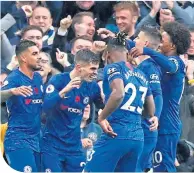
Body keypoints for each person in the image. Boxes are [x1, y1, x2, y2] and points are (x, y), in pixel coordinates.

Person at [84, 35, 158, 172]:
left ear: (106, 54)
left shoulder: (113, 68)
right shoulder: (142, 75)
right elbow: (150, 110)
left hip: (115, 133)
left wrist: (102, 117)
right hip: (137, 138)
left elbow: (118, 93)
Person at [128, 21, 191, 172]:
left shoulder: (177, 62)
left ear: (173, 46)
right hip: (153, 122)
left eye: (163, 40)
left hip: (167, 125)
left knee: (164, 167)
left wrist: (147, 51)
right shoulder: (156, 62)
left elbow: (169, 66)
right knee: (148, 166)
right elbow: (138, 47)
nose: (160, 43)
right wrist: (117, 37)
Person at [41, 49, 103, 172]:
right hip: (52, 145)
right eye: (92, 69)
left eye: (96, 69)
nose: (96, 73)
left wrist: (106, 94)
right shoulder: (58, 80)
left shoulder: (92, 86)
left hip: (75, 148)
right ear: (79, 67)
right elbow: (45, 107)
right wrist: (64, 91)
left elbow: (104, 107)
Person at [0, 40, 43, 172]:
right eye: (35, 53)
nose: (40, 56)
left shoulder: (37, 78)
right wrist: (12, 91)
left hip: (37, 139)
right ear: (23, 58)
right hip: (18, 139)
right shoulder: (14, 78)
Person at [133, 25, 163, 172]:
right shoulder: (142, 65)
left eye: (138, 37)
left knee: (137, 167)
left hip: (145, 126)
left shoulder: (150, 67)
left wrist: (155, 116)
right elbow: (125, 43)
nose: (134, 39)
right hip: (139, 126)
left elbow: (157, 94)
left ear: (145, 44)